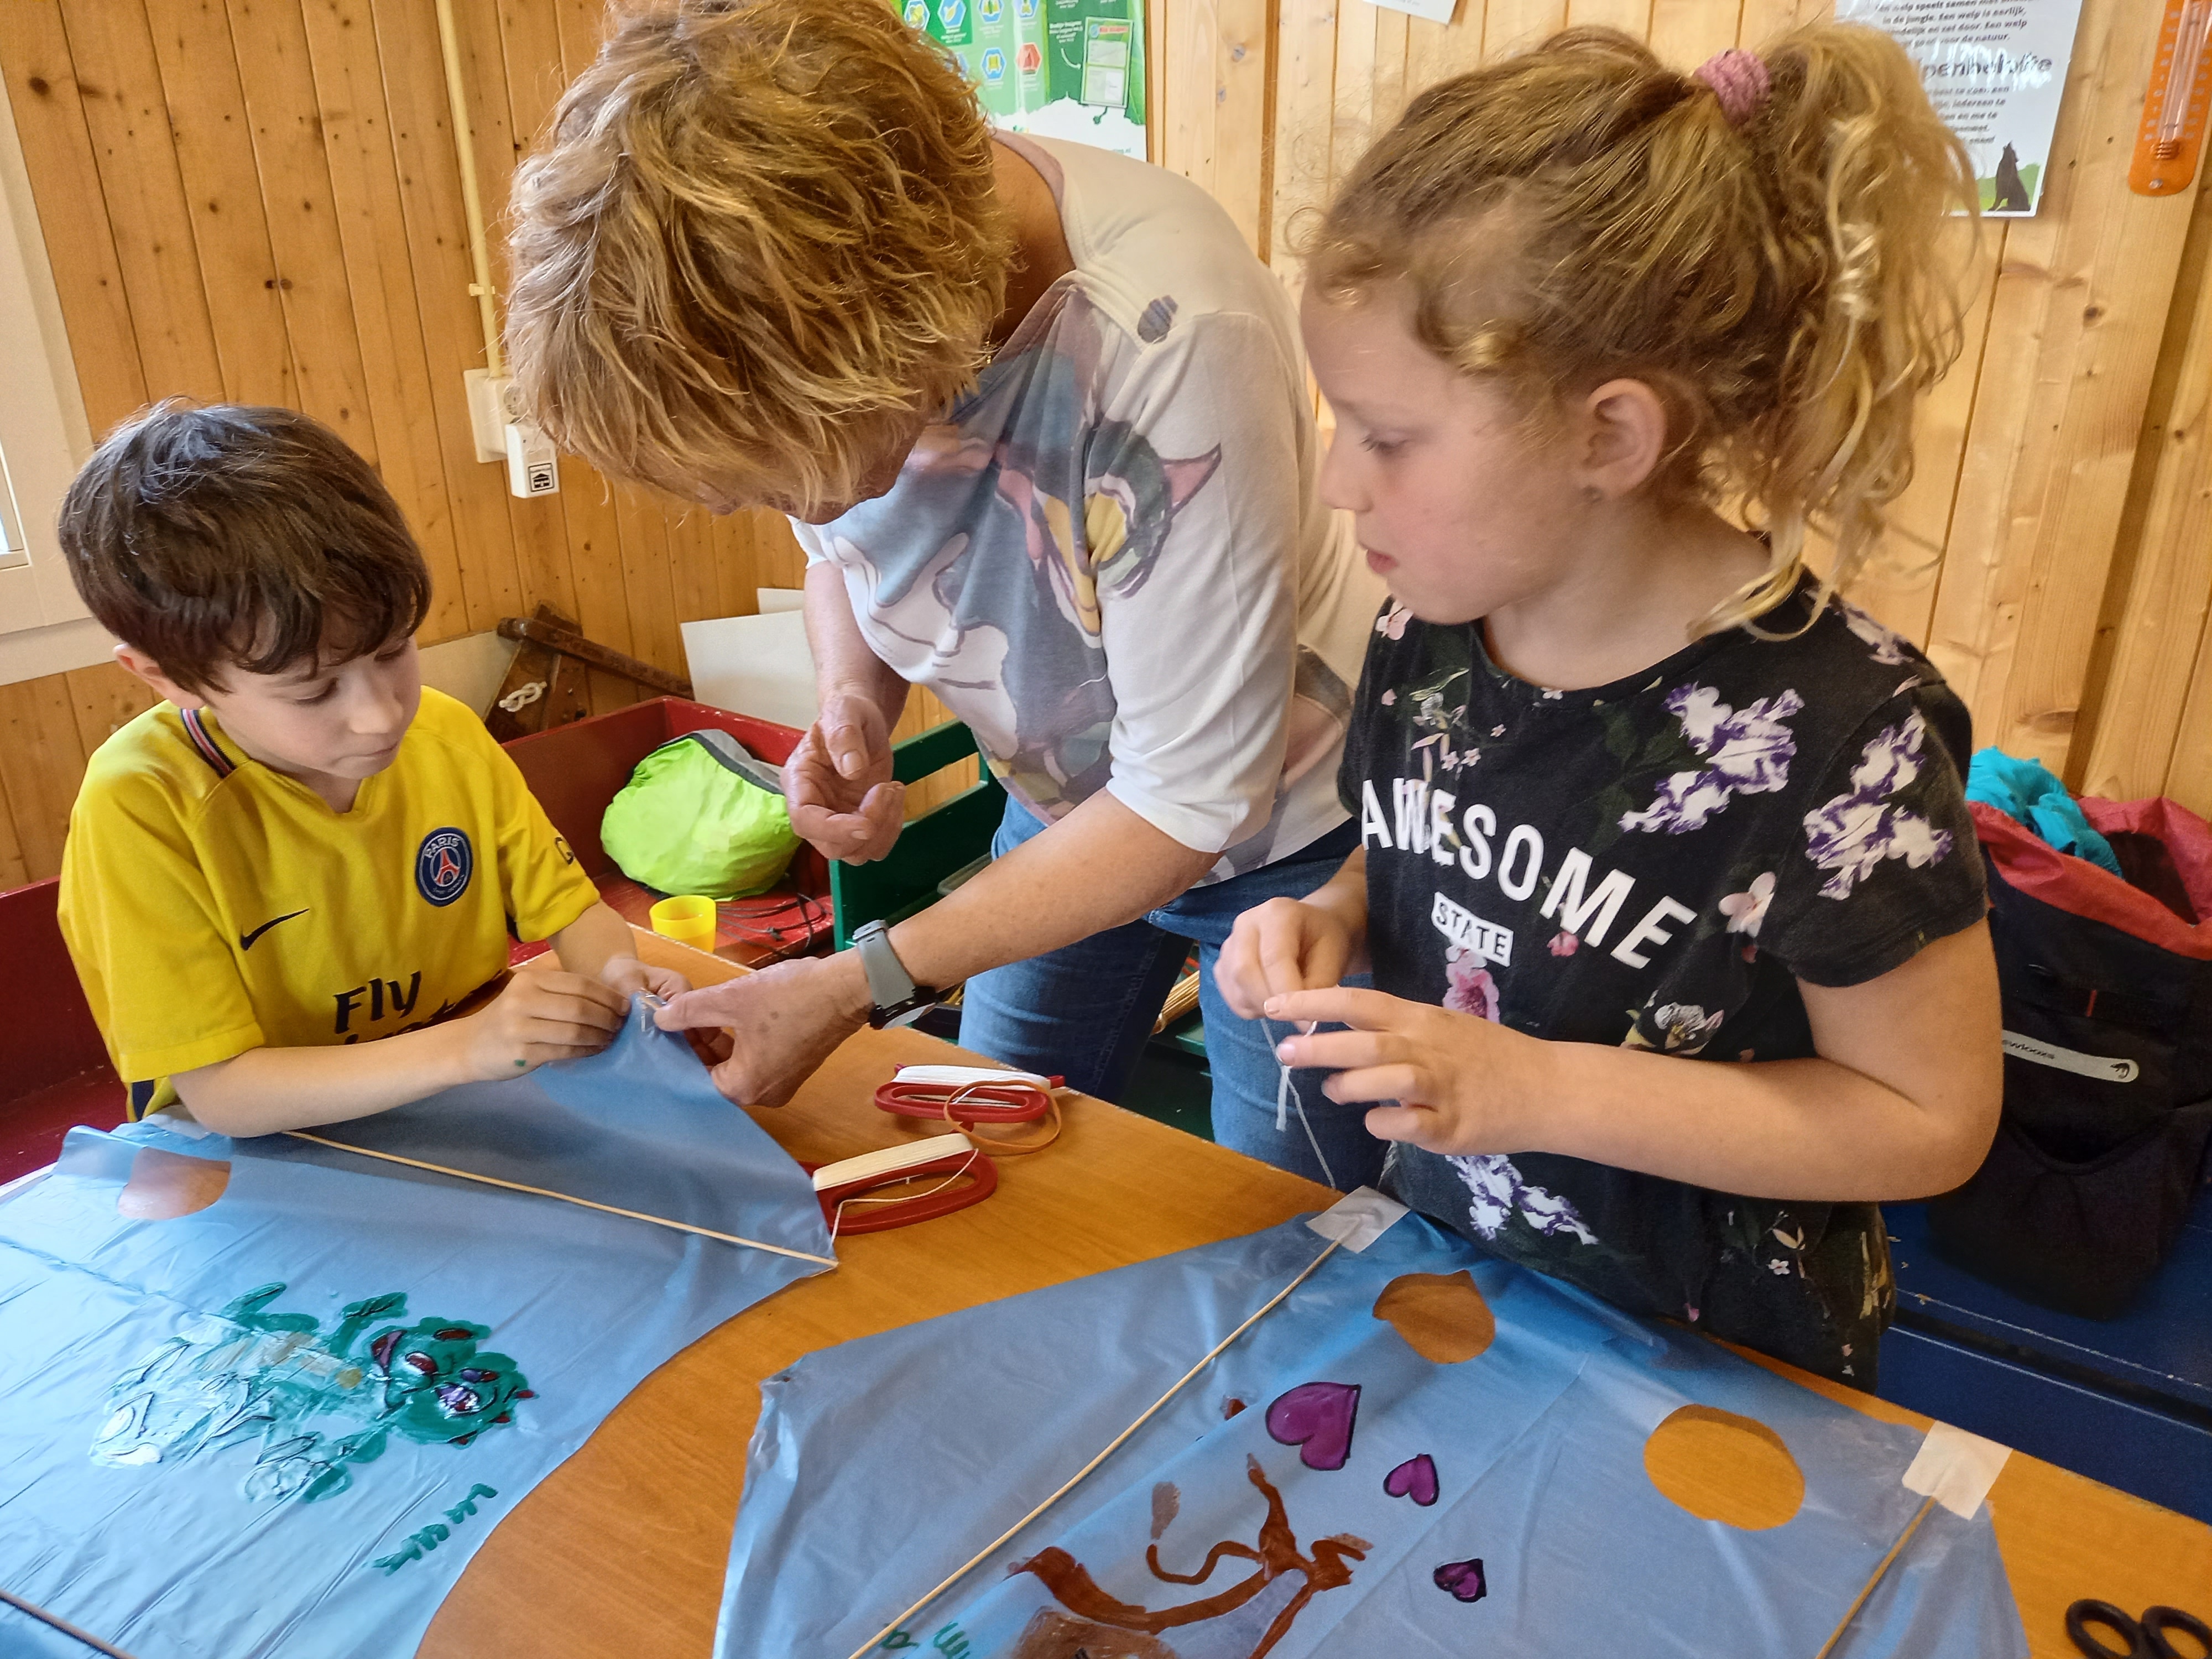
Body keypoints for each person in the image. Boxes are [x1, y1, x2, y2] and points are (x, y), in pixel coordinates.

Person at [1217, 28, 2004, 1383]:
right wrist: (1332, 915)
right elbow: (1412, 841)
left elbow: (1927, 1117)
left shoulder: (1841, 736)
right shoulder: (1431, 623)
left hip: (1712, 1356)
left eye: (1389, 438)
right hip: (1458, 1278)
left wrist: (1532, 1088)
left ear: (1608, 438)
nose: (1341, 485)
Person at [503, 0, 1383, 1183]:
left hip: (1288, 835)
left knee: (1275, 1215)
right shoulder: (808, 304)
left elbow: (1187, 805)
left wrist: (857, 980)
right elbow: (838, 549)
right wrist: (849, 704)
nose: (795, 509)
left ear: (908, 331)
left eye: (801, 469)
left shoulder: (1171, 335)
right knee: (985, 1145)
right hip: (1071, 815)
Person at [55, 403, 688, 1140]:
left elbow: (572, 912)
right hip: (263, 1149)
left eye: (394, 651)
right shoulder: (140, 803)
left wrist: (620, 982)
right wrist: (467, 1049)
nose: (381, 715)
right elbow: (223, 1095)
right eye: (314, 689)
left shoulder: (446, 734)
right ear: (167, 678)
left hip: (462, 1096)